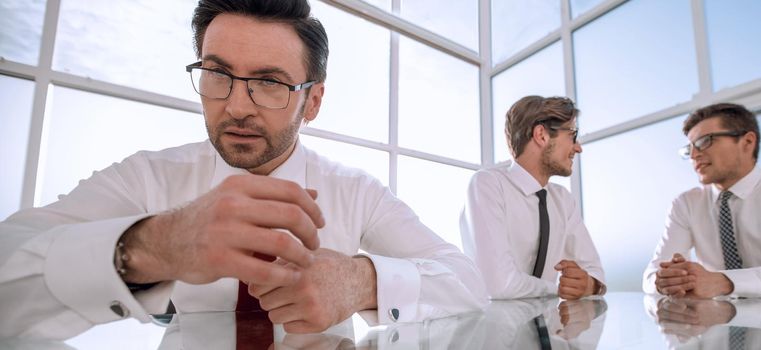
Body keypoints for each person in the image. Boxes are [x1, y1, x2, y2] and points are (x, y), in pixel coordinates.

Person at [0, 0, 487, 339]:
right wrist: (153, 244)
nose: (235, 107)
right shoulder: (148, 177)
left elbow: (467, 282)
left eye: (270, 83)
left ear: (312, 101)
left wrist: (363, 282)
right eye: (217, 75)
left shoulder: (358, 192)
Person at [460, 95, 606, 300]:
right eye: (572, 135)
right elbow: (499, 285)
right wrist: (556, 290)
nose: (578, 147)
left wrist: (588, 284)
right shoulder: (487, 185)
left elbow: (595, 272)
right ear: (541, 135)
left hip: (548, 328)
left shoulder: (563, 199)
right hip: (493, 328)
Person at [643, 102, 761, 298]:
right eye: (689, 149)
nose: (695, 155)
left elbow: (717, 283)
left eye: (705, 141)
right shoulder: (687, 203)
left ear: (747, 142)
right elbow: (651, 276)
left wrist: (725, 282)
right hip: (716, 322)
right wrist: (667, 280)